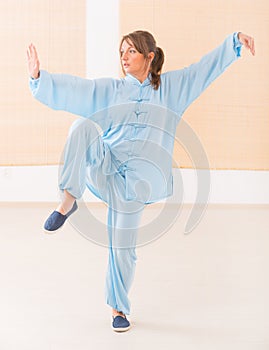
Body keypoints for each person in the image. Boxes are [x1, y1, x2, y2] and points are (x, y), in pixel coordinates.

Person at [27, 30, 255, 332]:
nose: (124, 57)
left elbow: (204, 70)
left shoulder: (173, 89)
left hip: (137, 187)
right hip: (106, 169)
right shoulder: (110, 90)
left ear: (149, 56)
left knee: (123, 248)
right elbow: (76, 89)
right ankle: (69, 199)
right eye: (122, 51)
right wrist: (40, 78)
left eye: (132, 51)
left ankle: (118, 309)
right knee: (81, 126)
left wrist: (234, 42)